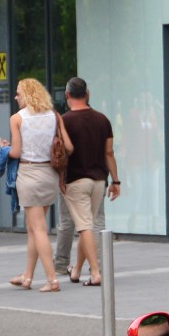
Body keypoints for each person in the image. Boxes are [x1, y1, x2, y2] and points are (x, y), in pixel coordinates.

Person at [7, 78, 72, 293]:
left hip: (29, 173)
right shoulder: (54, 116)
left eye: (18, 93)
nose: (16, 97)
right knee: (33, 228)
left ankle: (52, 279)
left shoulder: (17, 119)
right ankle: (27, 276)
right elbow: (69, 146)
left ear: (27, 94)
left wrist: (4, 149)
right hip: (50, 175)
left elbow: (16, 152)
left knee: (38, 229)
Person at [57, 77, 120, 286]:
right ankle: (76, 270)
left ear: (67, 95)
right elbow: (109, 152)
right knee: (89, 225)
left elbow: (60, 152)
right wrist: (116, 181)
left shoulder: (64, 121)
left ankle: (95, 272)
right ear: (87, 94)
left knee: (84, 227)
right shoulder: (103, 120)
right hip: (99, 181)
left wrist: (60, 178)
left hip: (75, 180)